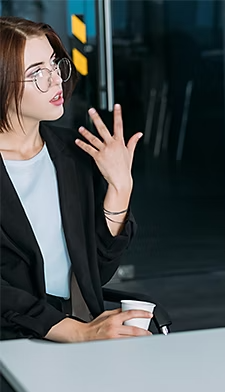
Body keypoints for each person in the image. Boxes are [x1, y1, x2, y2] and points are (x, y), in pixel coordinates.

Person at [0, 16, 150, 341]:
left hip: (82, 329)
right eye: (36, 72)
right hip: (12, 341)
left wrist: (120, 188)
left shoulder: (76, 152)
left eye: (55, 64)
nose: (56, 80)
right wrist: (77, 333)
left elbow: (95, 271)